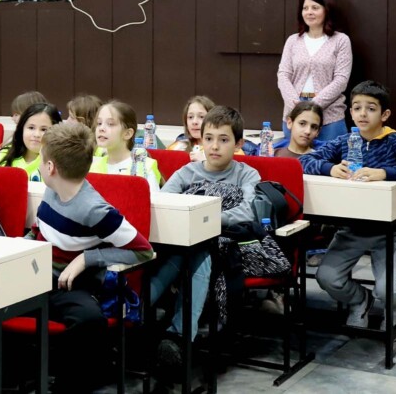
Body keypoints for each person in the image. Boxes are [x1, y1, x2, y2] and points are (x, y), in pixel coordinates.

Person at [301, 81, 396, 329]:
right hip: (351, 228)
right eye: (357, 108)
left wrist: (385, 173)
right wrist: (329, 168)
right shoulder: (345, 141)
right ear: (350, 112)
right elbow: (304, 161)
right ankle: (359, 301)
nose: (362, 114)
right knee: (326, 277)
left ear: (384, 114)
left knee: (387, 291)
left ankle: (393, 309)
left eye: (371, 108)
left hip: (390, 230)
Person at [31, 122, 154, 393]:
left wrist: (86, 259)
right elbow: (42, 232)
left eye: (41, 160)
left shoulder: (95, 209)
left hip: (68, 284)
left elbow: (143, 251)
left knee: (88, 320)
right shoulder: (52, 188)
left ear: (51, 168)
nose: (40, 166)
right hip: (37, 274)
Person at [150, 106, 260, 367]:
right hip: (184, 244)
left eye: (224, 140)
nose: (214, 146)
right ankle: (158, 327)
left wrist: (204, 219)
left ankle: (173, 334)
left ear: (238, 144)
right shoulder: (187, 173)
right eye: (209, 138)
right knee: (188, 253)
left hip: (230, 247)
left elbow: (248, 211)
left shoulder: (247, 174)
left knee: (201, 252)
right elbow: (164, 202)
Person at [277, 0, 353, 142]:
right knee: (297, 162)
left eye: (315, 8)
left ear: (326, 10)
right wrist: (297, 106)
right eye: (305, 8)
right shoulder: (293, 40)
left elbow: (341, 80)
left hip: (329, 115)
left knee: (330, 162)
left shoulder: (341, 41)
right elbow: (283, 74)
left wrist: (313, 106)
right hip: (294, 113)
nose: (309, 12)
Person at [90, 100, 162, 191]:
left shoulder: (144, 167)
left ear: (127, 134)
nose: (101, 129)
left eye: (110, 124)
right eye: (99, 123)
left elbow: (151, 202)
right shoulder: (92, 166)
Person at [0, 103, 62, 181]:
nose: (36, 134)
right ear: (22, 129)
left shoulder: (61, 163)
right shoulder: (3, 154)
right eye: (31, 128)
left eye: (44, 129)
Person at [166, 95, 216, 161]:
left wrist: (206, 163)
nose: (194, 122)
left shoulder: (223, 149)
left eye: (201, 117)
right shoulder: (179, 146)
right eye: (190, 117)